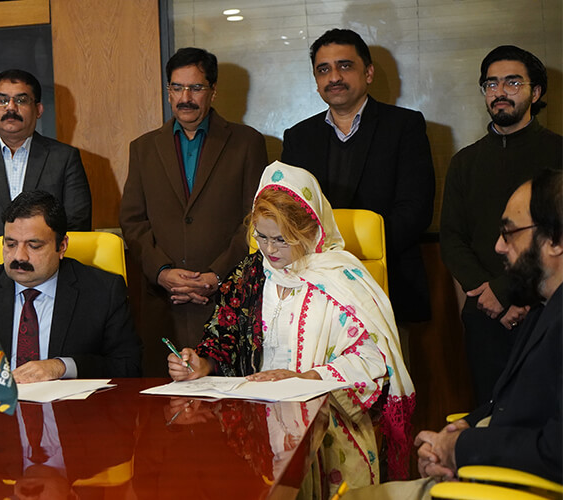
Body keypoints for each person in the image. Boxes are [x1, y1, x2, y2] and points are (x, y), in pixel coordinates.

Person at [169, 162, 415, 489]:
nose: (269, 250)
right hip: (258, 432)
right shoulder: (251, 275)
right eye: (261, 237)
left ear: (310, 230)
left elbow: (371, 361)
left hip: (331, 433)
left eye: (281, 240)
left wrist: (304, 378)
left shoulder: (342, 280)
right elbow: (225, 338)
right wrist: (202, 362)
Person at [345, 169, 563, 499]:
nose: (499, 247)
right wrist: (461, 430)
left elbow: (556, 451)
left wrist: (460, 448)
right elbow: (507, 407)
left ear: (555, 240)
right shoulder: (543, 304)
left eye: (509, 233)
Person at [281, 29, 435, 357]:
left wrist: (351, 259)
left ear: (368, 72)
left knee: (388, 398)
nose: (334, 77)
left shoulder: (405, 127)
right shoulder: (299, 137)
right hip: (317, 295)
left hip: (386, 287)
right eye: (323, 69)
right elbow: (288, 215)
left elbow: (415, 209)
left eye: (344, 66)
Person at [120, 47, 268, 376]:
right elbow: (132, 221)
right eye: (177, 87)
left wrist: (216, 275)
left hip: (227, 305)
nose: (185, 97)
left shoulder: (247, 143)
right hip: (163, 304)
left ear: (213, 91)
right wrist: (161, 271)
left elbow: (254, 220)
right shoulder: (143, 148)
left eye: (196, 88)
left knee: (229, 413)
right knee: (165, 412)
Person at [0, 190, 141, 391]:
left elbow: (128, 365)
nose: (19, 257)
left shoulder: (102, 290)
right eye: (10, 244)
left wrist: (62, 367)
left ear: (61, 246)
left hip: (72, 418)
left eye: (34, 246)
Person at [440, 45, 562, 405]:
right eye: (491, 84)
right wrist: (487, 293)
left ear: (535, 92)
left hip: (546, 309)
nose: (500, 92)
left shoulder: (558, 153)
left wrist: (511, 293)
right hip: (484, 313)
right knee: (491, 409)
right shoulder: (465, 162)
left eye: (512, 82)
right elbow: (452, 238)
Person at [0, 69, 92, 272]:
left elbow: (77, 225)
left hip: (50, 279)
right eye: (2, 100)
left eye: (21, 100)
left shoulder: (64, 158)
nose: (11, 108)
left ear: (39, 109)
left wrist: (39, 270)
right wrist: (1, 272)